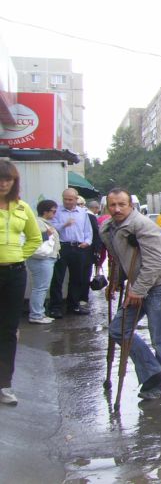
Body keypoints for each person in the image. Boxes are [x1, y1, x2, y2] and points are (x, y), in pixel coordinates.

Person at [102, 188, 161, 400]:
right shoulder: (109, 228)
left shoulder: (143, 226)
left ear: (131, 206)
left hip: (160, 285)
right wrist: (115, 282)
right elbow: (118, 258)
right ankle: (153, 371)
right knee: (117, 329)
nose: (117, 209)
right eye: (113, 205)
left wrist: (138, 290)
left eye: (121, 205)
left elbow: (156, 262)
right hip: (138, 286)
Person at [0, 161, 42, 405]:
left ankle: (4, 384)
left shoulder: (22, 208)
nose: (4, 183)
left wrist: (18, 256)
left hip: (15, 274)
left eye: (8, 180)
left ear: (14, 182)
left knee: (7, 331)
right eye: (1, 179)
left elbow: (35, 238)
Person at [49, 188, 94, 317]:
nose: (67, 201)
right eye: (65, 199)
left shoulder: (82, 212)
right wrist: (64, 224)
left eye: (70, 199)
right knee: (58, 278)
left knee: (77, 278)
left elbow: (88, 230)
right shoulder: (57, 211)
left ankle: (73, 305)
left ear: (76, 199)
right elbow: (51, 227)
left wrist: (87, 242)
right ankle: (55, 307)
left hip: (78, 247)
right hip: (62, 246)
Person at [27, 200, 61, 325]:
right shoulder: (39, 223)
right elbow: (34, 238)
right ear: (45, 211)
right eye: (53, 211)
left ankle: (39, 313)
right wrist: (47, 234)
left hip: (45, 259)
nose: (55, 213)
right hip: (41, 259)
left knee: (41, 287)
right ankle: (36, 314)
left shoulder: (43, 222)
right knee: (40, 288)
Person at [80, 199, 103, 306]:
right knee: (85, 274)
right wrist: (98, 250)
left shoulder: (84, 216)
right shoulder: (91, 217)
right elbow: (96, 235)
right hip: (88, 250)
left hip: (82, 248)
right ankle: (83, 297)